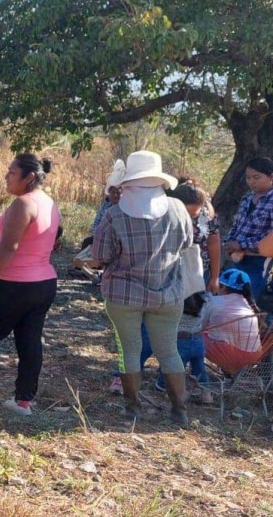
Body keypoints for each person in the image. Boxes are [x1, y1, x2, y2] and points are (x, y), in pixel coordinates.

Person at [91, 150, 193, 426]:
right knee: (168, 351)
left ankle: (133, 408)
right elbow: (187, 244)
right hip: (168, 293)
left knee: (130, 350)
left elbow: (101, 256)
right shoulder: (178, 208)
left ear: (129, 182)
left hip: (124, 295)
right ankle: (179, 411)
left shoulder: (115, 215)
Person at [0, 154, 61, 416]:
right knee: (29, 339)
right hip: (43, 282)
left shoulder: (23, 204)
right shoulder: (49, 203)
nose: (6, 176)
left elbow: (9, 247)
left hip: (15, 282)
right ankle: (23, 401)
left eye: (11, 172)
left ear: (28, 177)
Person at [224, 157, 273, 300]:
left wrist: (242, 244)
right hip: (238, 257)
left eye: (256, 177)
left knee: (248, 301)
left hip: (258, 260)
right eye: (248, 178)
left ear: (271, 177)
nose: (251, 181)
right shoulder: (247, 198)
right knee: (230, 296)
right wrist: (230, 243)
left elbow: (270, 236)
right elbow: (237, 225)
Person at [171, 178, 221, 293]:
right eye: (184, 214)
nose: (188, 218)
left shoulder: (207, 215)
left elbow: (213, 244)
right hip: (171, 273)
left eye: (193, 215)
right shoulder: (166, 214)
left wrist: (214, 277)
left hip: (200, 272)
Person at [203, 269, 263, 353]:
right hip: (253, 355)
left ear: (223, 287)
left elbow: (200, 326)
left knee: (196, 336)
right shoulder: (250, 306)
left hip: (227, 355)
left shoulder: (214, 301)